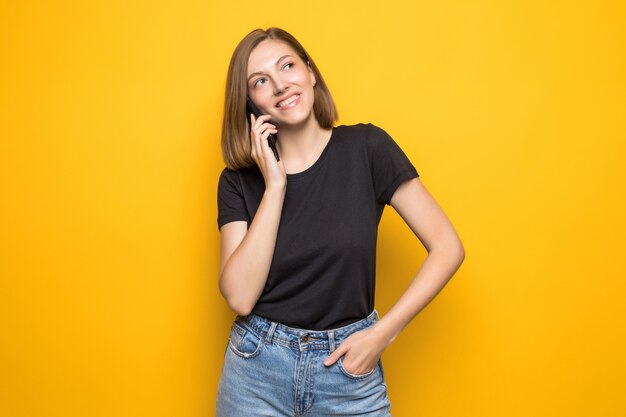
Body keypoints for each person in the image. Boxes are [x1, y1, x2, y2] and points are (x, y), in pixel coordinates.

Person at [215, 27, 465, 417]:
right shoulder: (238, 182)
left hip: (347, 370)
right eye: (261, 81)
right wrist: (275, 186)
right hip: (256, 371)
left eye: (288, 66)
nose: (281, 85)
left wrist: (382, 335)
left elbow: (448, 247)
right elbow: (240, 297)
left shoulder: (368, 149)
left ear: (311, 72)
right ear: (251, 103)